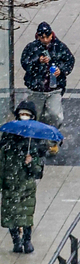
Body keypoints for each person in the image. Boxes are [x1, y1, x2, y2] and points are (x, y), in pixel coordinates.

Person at [0, 105, 46, 254]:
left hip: (26, 184)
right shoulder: (8, 138)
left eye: (27, 114)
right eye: (22, 114)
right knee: (11, 215)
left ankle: (27, 240)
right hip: (9, 181)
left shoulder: (35, 141)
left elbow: (38, 171)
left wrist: (31, 162)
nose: (24, 117)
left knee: (26, 215)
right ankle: (16, 241)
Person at [21, 23, 74, 129]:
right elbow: (25, 63)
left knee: (55, 115)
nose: (45, 40)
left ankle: (51, 139)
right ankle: (37, 138)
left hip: (54, 89)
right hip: (37, 89)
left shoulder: (59, 46)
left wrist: (61, 70)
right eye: (42, 37)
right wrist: (37, 60)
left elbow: (70, 61)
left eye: (47, 37)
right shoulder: (32, 47)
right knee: (36, 115)